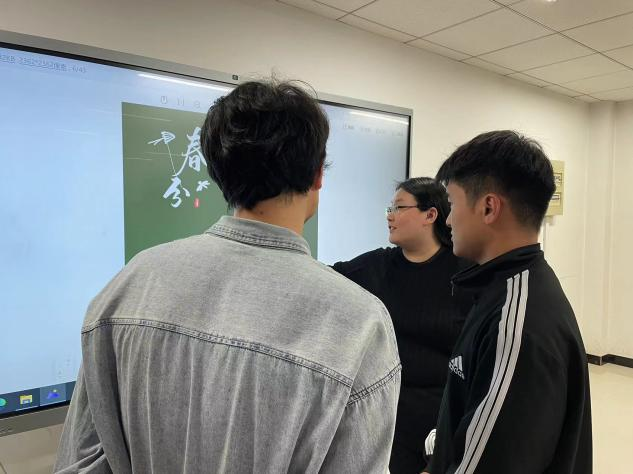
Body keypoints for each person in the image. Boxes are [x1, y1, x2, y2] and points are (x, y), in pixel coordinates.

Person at [54, 80, 401, 473]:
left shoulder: (131, 284)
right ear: (318, 175)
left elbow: (82, 462)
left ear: (219, 172)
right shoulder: (358, 325)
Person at [425, 130, 592, 473]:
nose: (448, 219)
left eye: (452, 204)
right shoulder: (504, 289)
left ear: (489, 207)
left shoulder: (516, 322)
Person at [332, 177, 471, 474]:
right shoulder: (378, 266)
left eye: (398, 207)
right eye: (389, 208)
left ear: (430, 215)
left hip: (443, 417)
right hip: (386, 413)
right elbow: (326, 280)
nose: (389, 216)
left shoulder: (463, 273)